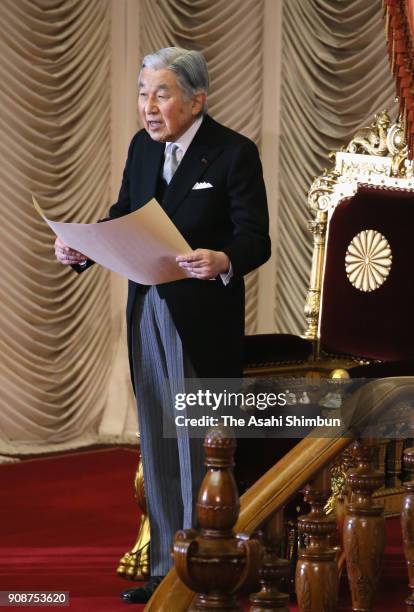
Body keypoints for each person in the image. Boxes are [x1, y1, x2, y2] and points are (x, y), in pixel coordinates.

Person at [55, 46, 271, 603]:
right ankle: (164, 567)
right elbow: (125, 213)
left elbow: (255, 237)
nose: (148, 107)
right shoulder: (141, 149)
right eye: (142, 93)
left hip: (200, 318)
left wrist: (223, 260)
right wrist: (84, 246)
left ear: (197, 99)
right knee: (156, 436)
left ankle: (210, 564)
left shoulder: (233, 153)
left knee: (197, 442)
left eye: (162, 93)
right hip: (146, 307)